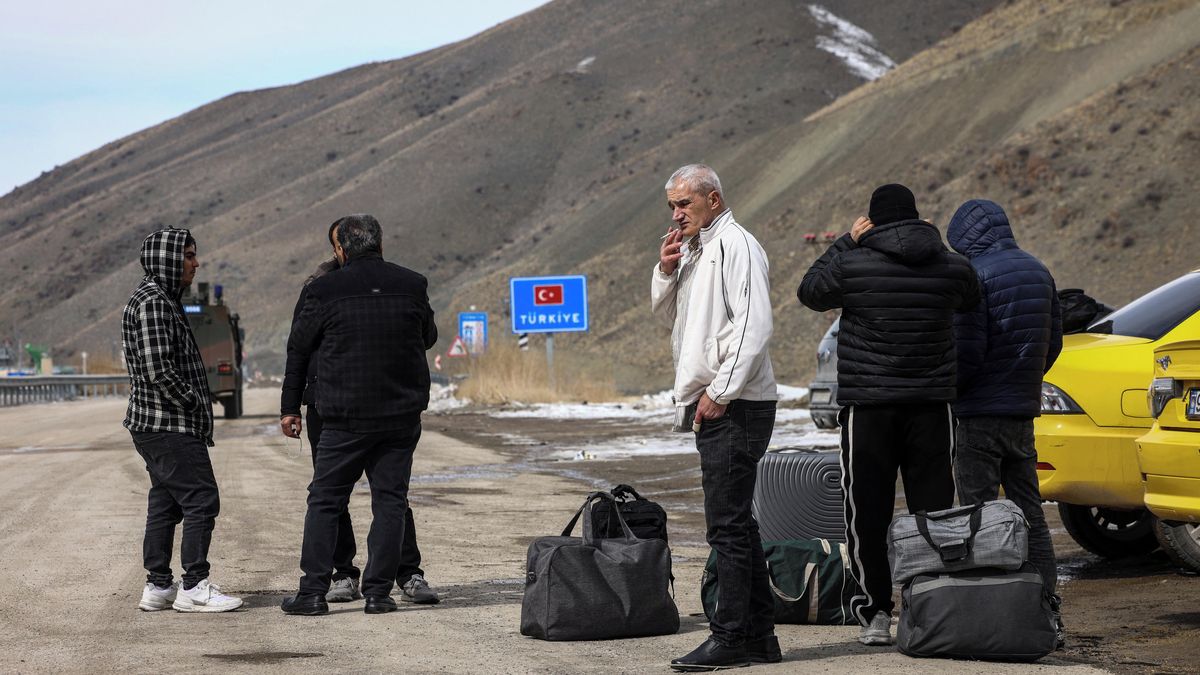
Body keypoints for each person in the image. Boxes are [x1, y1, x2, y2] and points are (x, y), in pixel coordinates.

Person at [797, 184, 979, 646]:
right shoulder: (953, 267)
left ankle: (875, 612)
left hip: (870, 410)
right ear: (918, 217)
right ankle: (930, 606)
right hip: (932, 408)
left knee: (867, 513)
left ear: (872, 222)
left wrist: (845, 241)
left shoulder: (853, 265)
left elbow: (811, 291)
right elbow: (971, 299)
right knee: (935, 512)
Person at [651, 165, 780, 670]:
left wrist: (722, 392)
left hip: (737, 403)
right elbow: (675, 323)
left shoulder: (736, 246)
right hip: (718, 399)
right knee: (738, 526)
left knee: (725, 528)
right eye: (672, 207)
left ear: (713, 198)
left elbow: (755, 325)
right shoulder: (698, 250)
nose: (677, 214)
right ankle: (759, 637)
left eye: (685, 204)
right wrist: (666, 269)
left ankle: (728, 637)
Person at [280, 214, 438, 616]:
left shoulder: (324, 290)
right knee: (390, 501)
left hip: (342, 417)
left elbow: (299, 345)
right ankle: (379, 595)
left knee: (326, 501)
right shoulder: (412, 283)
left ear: (341, 249)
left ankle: (314, 593)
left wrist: (291, 403)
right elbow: (427, 336)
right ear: (380, 245)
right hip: (399, 417)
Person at [946, 198, 1064, 647]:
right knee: (1030, 513)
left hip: (978, 414)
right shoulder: (1038, 269)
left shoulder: (976, 276)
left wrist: (955, 390)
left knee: (977, 514)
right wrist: (1024, 382)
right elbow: (1052, 343)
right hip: (1022, 412)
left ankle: (987, 617)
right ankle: (1046, 612)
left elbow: (968, 352)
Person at [122, 227, 243, 613]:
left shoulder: (161, 298)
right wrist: (192, 401)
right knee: (201, 498)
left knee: (165, 502)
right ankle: (194, 586)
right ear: (169, 260)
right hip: (168, 423)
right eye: (189, 256)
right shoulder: (155, 302)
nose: (196, 262)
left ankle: (159, 586)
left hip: (157, 423)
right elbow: (159, 368)